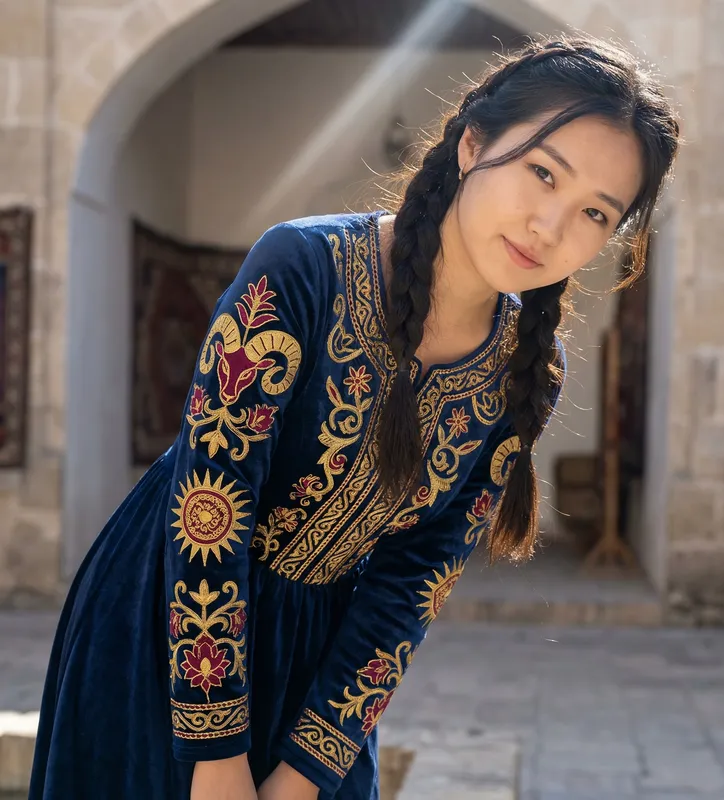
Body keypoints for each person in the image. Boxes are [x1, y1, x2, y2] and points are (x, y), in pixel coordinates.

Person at [29, 34, 679, 800]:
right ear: (473, 144)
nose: (550, 225)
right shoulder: (302, 268)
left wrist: (306, 774)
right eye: (543, 172)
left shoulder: (525, 373)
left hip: (322, 675)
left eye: (594, 213)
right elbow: (210, 506)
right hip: (166, 627)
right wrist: (216, 755)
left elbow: (414, 583)